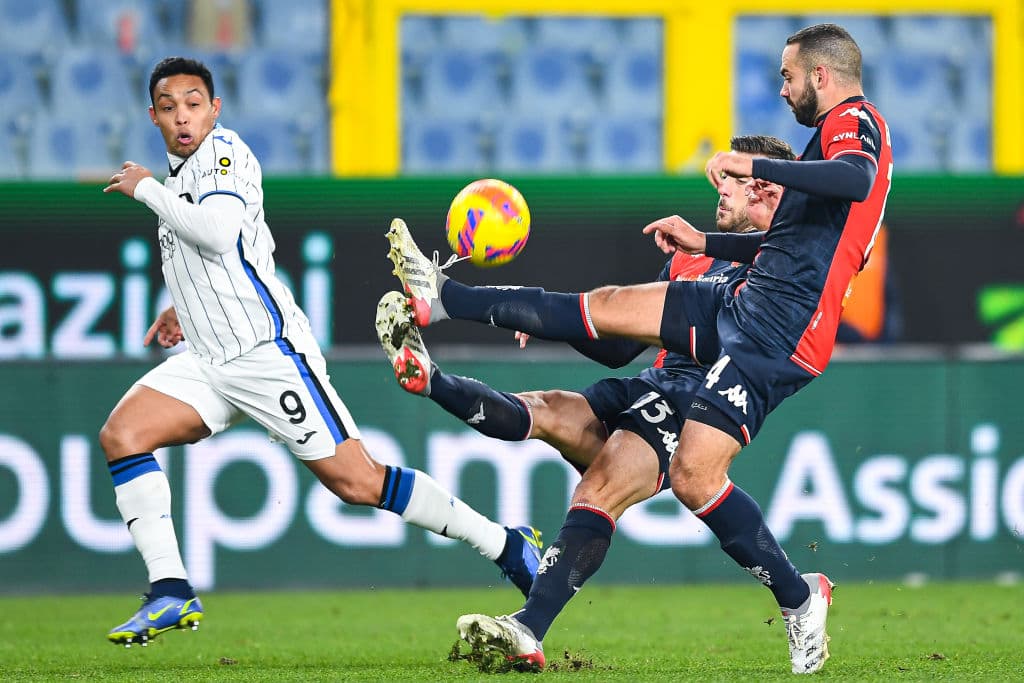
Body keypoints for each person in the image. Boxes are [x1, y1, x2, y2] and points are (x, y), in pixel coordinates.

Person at [386, 24, 892, 675]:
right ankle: (444, 296)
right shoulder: (765, 211)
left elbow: (853, 178)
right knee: (594, 323)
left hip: (774, 337)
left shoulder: (855, 124)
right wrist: (703, 242)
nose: (783, 88)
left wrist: (753, 163)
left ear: (821, 76)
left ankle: (797, 596)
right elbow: (617, 342)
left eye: (788, 76)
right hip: (737, 316)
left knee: (676, 476)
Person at [99, 56, 542, 648]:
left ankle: (504, 543)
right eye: (170, 105)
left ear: (215, 109)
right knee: (122, 435)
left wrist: (145, 187)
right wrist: (185, 304)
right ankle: (170, 591)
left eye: (194, 102)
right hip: (207, 356)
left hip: (266, 353)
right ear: (152, 114)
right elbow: (219, 257)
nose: (183, 116)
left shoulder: (225, 156)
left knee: (357, 483)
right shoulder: (180, 177)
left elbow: (217, 233)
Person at [376, 135, 793, 671]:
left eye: (734, 178)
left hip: (699, 402)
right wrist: (554, 325)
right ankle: (432, 380)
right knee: (547, 410)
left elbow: (721, 340)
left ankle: (527, 628)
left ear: (768, 189)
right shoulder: (693, 258)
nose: (721, 189)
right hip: (651, 383)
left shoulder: (783, 269)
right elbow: (619, 347)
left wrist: (560, 317)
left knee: (600, 486)